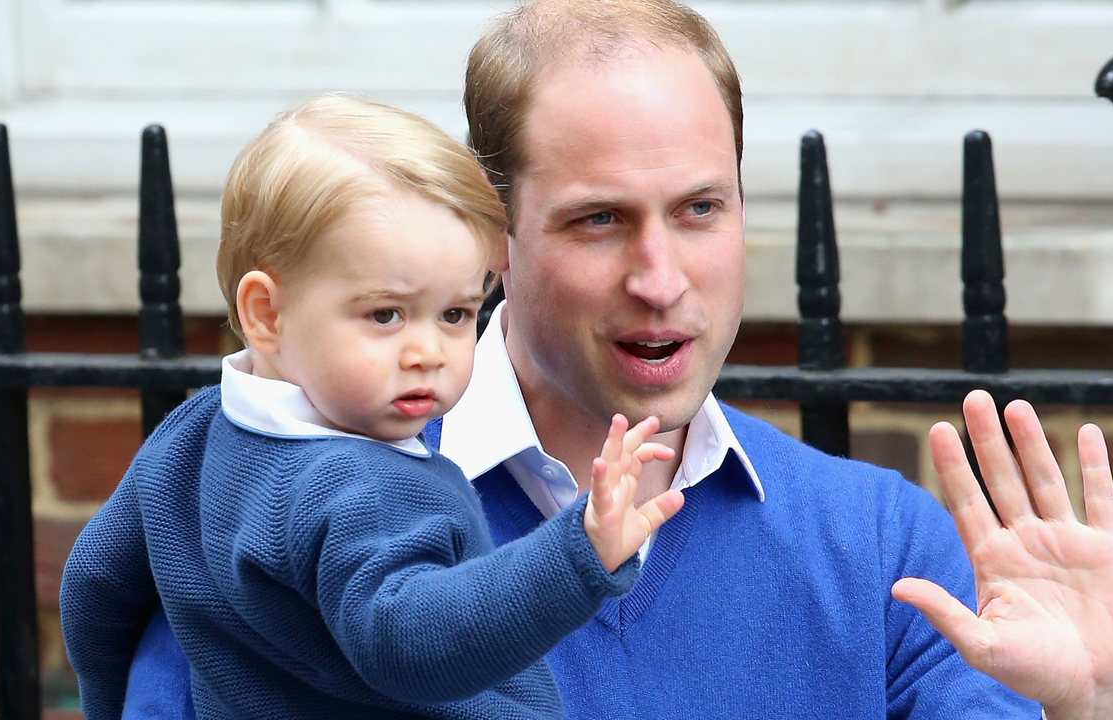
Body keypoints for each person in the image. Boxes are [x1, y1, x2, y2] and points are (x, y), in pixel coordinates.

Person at [120, 1, 1113, 718]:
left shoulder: (878, 547)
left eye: (699, 209)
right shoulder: (268, 514)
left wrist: (1100, 709)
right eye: (600, 219)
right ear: (497, 242)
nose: (659, 277)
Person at [59, 95, 688, 720]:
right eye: (385, 314)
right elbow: (411, 644)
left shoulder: (191, 438)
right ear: (266, 313)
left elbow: (94, 589)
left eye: (455, 314)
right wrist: (577, 554)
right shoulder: (360, 488)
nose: (427, 352)